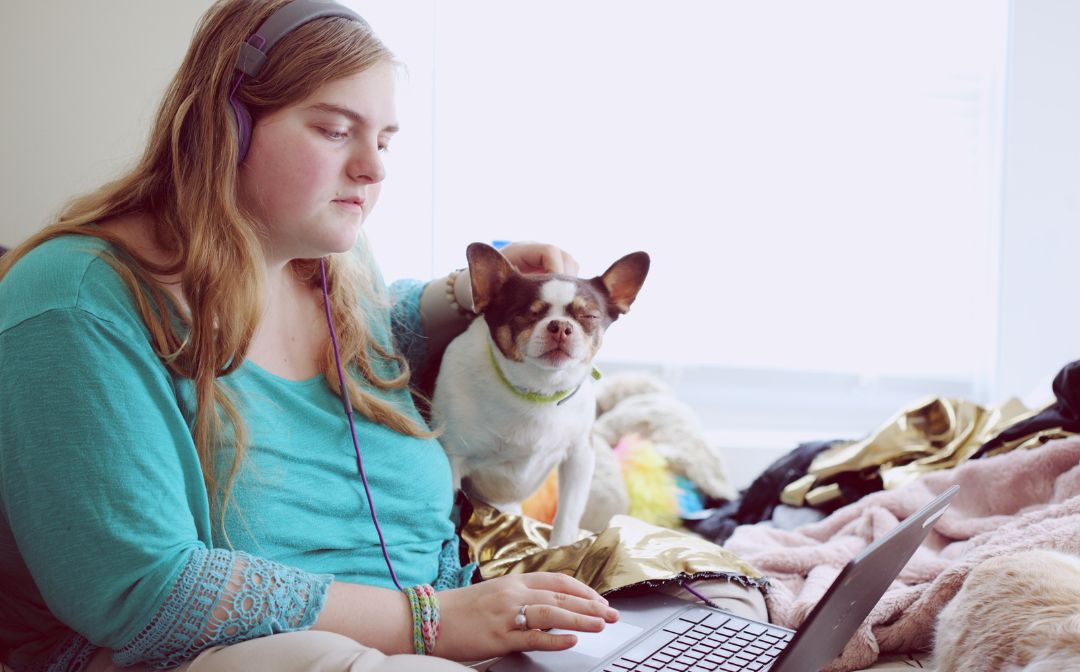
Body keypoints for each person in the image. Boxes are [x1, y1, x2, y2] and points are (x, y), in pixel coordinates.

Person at [0, 1, 614, 670]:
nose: (374, 169)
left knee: (705, 601)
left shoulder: (331, 263)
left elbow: (378, 340)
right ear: (223, 128)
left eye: (384, 140)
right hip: (240, 656)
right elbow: (145, 591)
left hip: (444, 627)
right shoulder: (74, 304)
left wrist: (467, 294)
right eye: (333, 130)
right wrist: (432, 623)